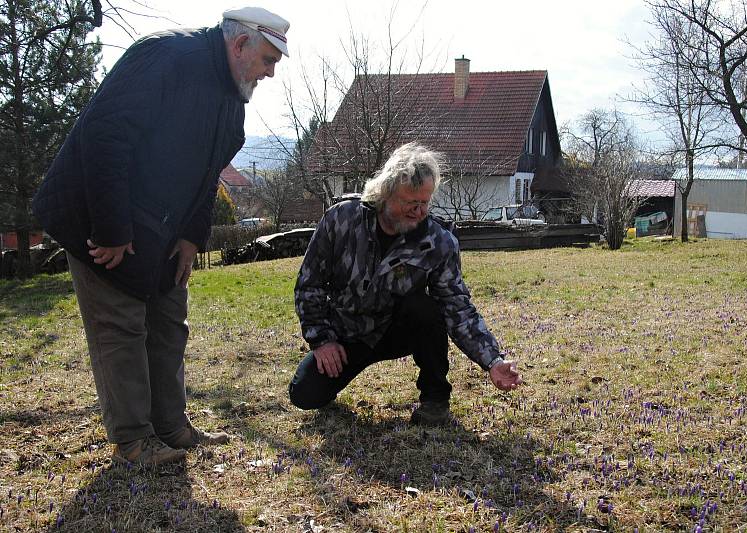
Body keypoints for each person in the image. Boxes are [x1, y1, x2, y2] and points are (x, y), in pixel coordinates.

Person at [32, 7, 290, 466]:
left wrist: (193, 236)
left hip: (162, 228)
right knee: (121, 327)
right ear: (240, 45)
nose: (270, 72)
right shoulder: (165, 57)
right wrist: (111, 230)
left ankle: (171, 427)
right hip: (99, 219)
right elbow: (105, 136)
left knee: (169, 322)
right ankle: (133, 440)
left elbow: (210, 172)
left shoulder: (232, 95)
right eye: (269, 59)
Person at [289, 143, 522, 426]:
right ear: (385, 194)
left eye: (425, 203)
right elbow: (309, 285)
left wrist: (492, 361)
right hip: (345, 333)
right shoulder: (341, 220)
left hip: (395, 330)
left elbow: (457, 306)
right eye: (411, 203)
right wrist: (322, 340)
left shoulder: (439, 242)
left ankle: (435, 398)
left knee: (425, 308)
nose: (419, 211)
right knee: (304, 395)